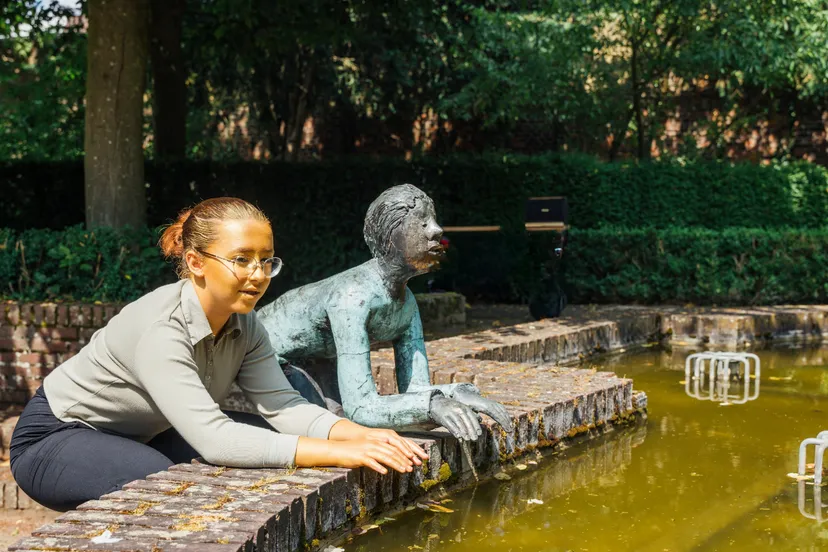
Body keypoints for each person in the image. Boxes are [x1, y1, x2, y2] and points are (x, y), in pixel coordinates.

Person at [9, 197, 427, 512]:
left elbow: (283, 406)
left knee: (264, 445)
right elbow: (215, 438)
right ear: (195, 261)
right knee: (162, 487)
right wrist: (341, 453)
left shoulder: (245, 324)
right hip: (57, 437)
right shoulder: (162, 327)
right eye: (241, 260)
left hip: (143, 433)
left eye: (267, 260)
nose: (258, 274)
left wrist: (361, 435)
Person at [256, 185, 513, 440]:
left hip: (316, 359)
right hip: (265, 357)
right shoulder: (352, 296)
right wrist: (433, 406)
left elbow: (416, 389)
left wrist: (459, 393)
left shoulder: (406, 302)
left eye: (433, 221)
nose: (437, 230)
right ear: (391, 238)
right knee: (337, 427)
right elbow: (362, 408)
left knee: (343, 423)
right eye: (422, 223)